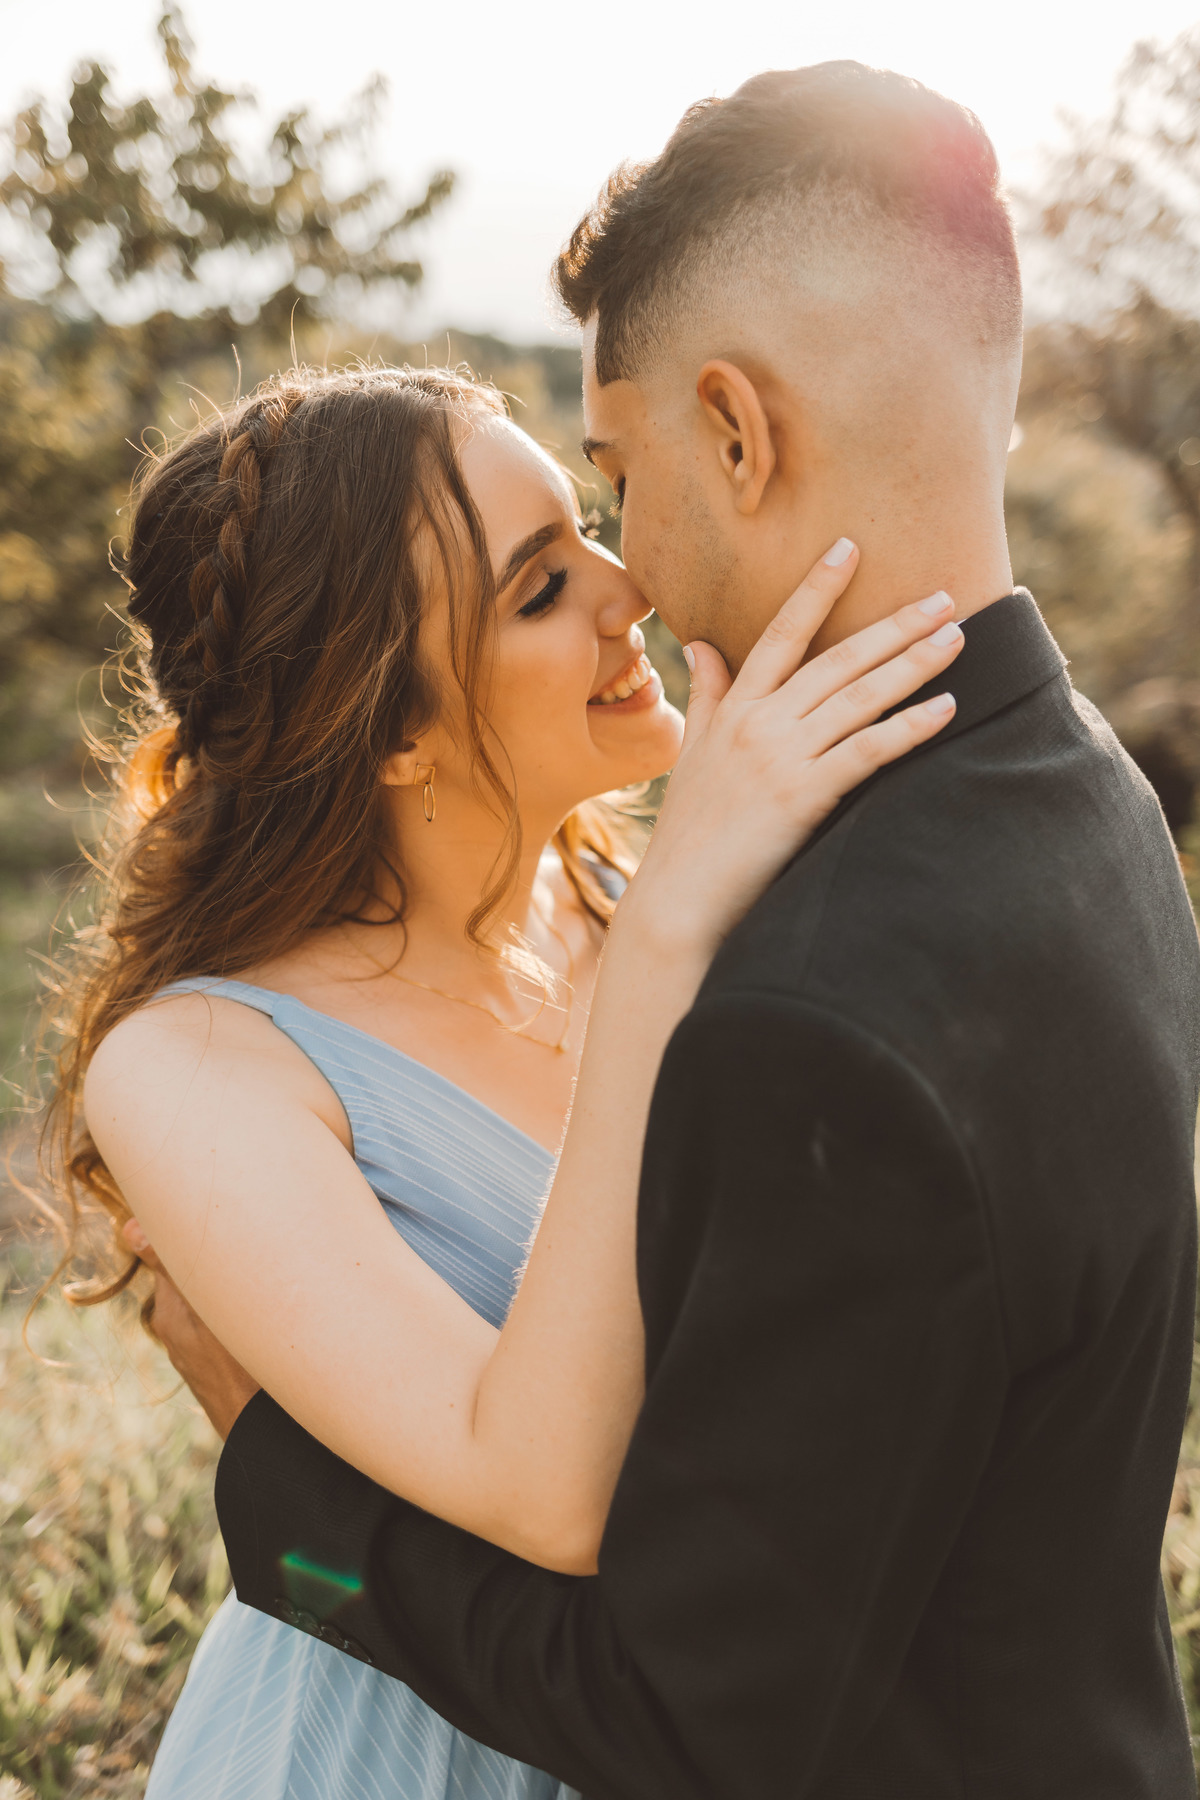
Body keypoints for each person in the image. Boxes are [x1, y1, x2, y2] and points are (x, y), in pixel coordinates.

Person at [151, 61, 1200, 1798]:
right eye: (545, 573)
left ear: (738, 430)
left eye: (610, 482)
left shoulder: (812, 1011)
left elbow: (680, 1721)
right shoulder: (1089, 801)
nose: (627, 572)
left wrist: (278, 1495)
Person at [51, 352, 962, 1800]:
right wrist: (674, 928)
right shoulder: (199, 1064)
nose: (631, 591)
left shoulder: (647, 912)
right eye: (540, 589)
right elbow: (546, 1492)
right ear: (394, 730)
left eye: (589, 522)